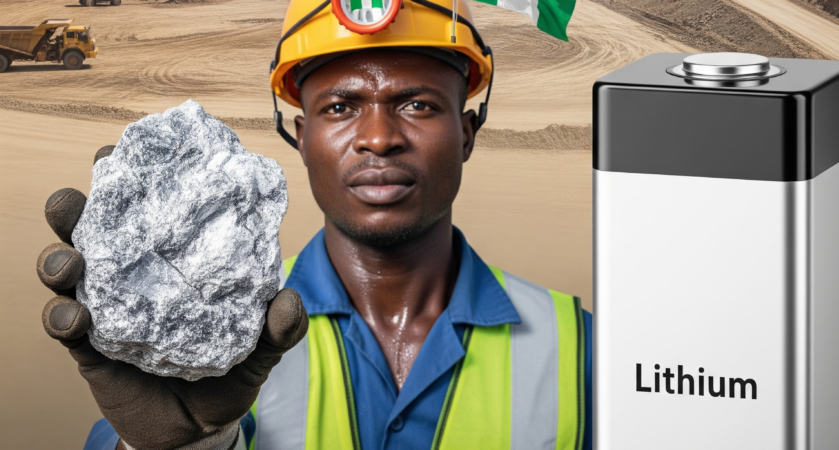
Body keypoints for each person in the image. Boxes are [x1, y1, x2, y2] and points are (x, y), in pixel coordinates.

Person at [36, 0, 593, 448]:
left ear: (467, 132)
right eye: (340, 107)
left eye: (418, 105)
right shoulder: (219, 336)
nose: (379, 137)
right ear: (299, 137)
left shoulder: (580, 350)